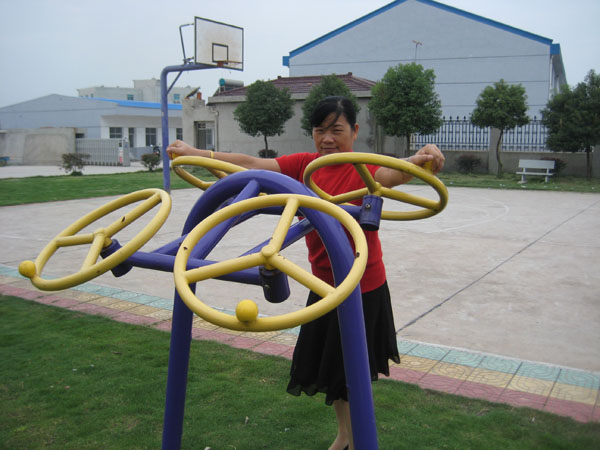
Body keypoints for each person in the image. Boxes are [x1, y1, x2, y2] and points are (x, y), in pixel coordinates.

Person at [167, 96, 444, 450]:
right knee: (333, 373)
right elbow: (252, 165)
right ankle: (345, 435)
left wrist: (420, 161)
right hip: (323, 285)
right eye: (319, 130)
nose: (327, 138)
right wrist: (198, 153)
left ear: (354, 131)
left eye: (336, 130)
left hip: (361, 286)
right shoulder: (303, 166)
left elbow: (395, 172)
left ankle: (359, 439)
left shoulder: (362, 168)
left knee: (353, 371)